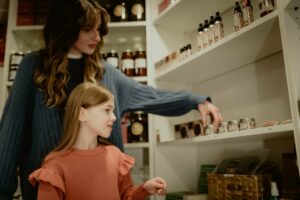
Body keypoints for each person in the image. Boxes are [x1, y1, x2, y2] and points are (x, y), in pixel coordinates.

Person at [0, 0, 222, 199]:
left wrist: (197, 101)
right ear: (66, 28)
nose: (97, 37)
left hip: (102, 186)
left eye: (99, 29)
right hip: (49, 188)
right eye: (88, 29)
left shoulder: (104, 72)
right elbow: (11, 133)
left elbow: (153, 96)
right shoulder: (34, 66)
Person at [28, 82, 167, 200]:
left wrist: (144, 189)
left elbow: (126, 195)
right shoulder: (54, 166)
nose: (114, 117)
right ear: (82, 114)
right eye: (107, 110)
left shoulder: (115, 155)